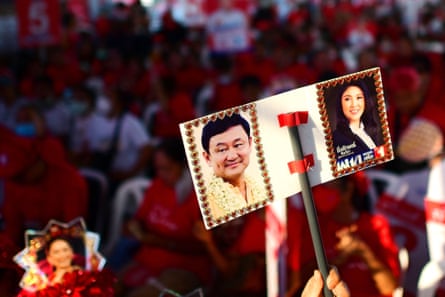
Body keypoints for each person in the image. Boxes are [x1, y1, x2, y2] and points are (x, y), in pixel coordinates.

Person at [115, 138, 211, 297]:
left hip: (185, 268)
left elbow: (205, 247)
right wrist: (135, 227)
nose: (161, 174)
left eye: (167, 169)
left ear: (183, 166)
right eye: (158, 169)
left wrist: (164, 243)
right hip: (148, 259)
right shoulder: (158, 185)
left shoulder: (200, 195)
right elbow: (139, 219)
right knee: (105, 288)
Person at [287, 172, 400, 297]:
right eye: (316, 188)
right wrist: (339, 258)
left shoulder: (377, 225)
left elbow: (390, 288)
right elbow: (302, 281)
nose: (319, 192)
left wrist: (364, 252)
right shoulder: (314, 228)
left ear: (348, 190)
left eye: (326, 187)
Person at [0, 105, 88, 246]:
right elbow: (12, 228)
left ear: (39, 161)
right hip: (27, 246)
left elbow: (72, 233)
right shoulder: (14, 179)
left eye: (22, 174)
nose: (20, 180)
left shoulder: (70, 181)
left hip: (59, 248)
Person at [201, 113, 268, 219]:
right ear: (208, 158)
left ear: (250, 144)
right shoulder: (205, 204)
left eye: (238, 145)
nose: (232, 156)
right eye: (222, 149)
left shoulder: (261, 191)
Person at [331, 80, 383, 162]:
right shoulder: (335, 140)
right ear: (340, 104)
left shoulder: (372, 130)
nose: (354, 104)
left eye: (359, 97)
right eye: (347, 99)